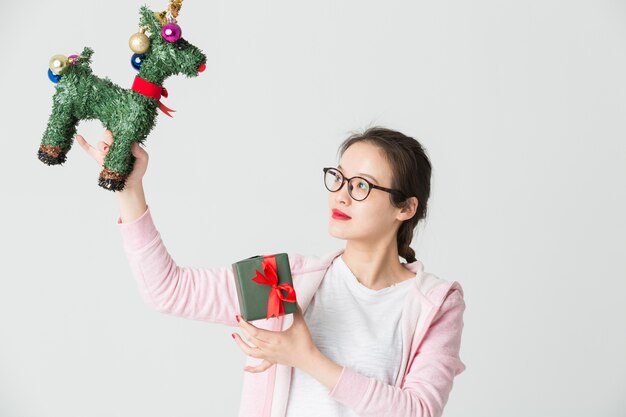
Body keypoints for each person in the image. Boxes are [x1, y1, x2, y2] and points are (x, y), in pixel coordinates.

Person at [75, 126, 466, 417]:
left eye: (362, 185)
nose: (342, 194)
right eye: (340, 178)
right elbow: (169, 290)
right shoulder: (285, 281)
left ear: (406, 208)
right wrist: (129, 189)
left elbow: (418, 411)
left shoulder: (434, 301)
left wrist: (307, 358)